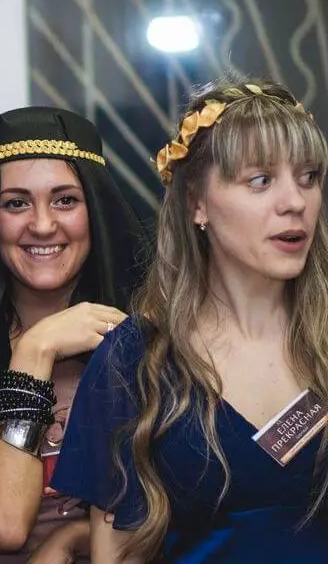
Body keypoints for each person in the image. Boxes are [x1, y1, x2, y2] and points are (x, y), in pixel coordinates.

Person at [52, 80, 328, 561]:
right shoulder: (134, 361)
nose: (295, 202)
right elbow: (119, 554)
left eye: (309, 177)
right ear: (197, 202)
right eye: (260, 180)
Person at [0, 107, 145, 562]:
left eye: (65, 200)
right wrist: (36, 351)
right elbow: (4, 524)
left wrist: (72, 539)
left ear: (95, 210)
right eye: (16, 203)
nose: (42, 224)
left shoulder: (149, 335)